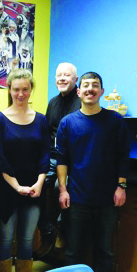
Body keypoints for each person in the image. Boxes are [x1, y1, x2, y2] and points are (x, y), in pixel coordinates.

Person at [55, 72, 130, 272]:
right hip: (77, 197)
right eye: (85, 85)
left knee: (104, 251)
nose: (90, 89)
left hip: (108, 198)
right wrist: (63, 190)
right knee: (73, 251)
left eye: (95, 85)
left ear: (102, 92)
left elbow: (123, 156)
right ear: (78, 92)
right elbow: (62, 159)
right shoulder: (68, 123)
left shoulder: (115, 121)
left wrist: (121, 186)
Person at [0, 69, 50, 272]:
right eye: (16, 89)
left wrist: (38, 182)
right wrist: (16, 185)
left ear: (31, 89)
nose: (20, 93)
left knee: (26, 241)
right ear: (9, 90)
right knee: (5, 240)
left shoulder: (41, 119)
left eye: (25, 89)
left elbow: (46, 152)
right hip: (6, 189)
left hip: (34, 189)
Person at [35, 62, 80, 259]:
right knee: (32, 191)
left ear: (75, 80)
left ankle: (61, 228)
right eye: (59, 75)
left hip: (73, 161)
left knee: (59, 189)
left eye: (67, 75)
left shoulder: (82, 102)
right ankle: (47, 228)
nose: (62, 78)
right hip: (51, 157)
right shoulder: (53, 102)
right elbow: (45, 133)